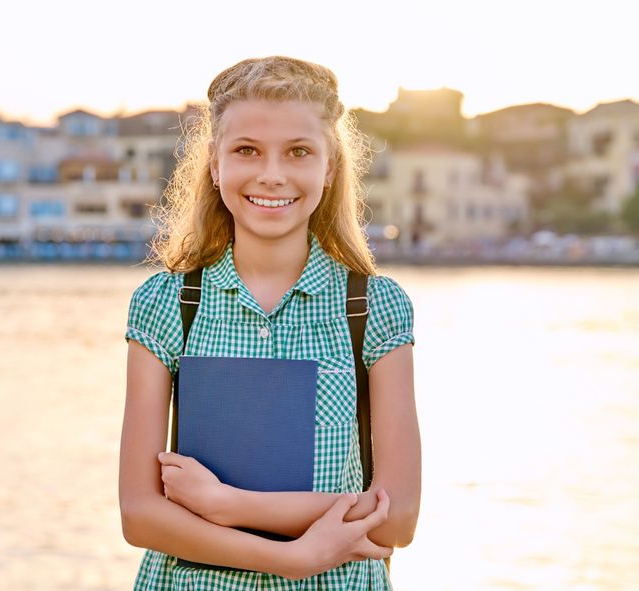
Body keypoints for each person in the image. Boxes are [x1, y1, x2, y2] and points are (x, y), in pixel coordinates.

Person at [119, 56, 421, 590]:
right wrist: (294, 557)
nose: (272, 174)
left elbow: (395, 518)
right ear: (214, 164)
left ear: (329, 167)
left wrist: (226, 504)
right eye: (247, 151)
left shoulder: (375, 307)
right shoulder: (166, 303)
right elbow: (140, 515)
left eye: (299, 152)